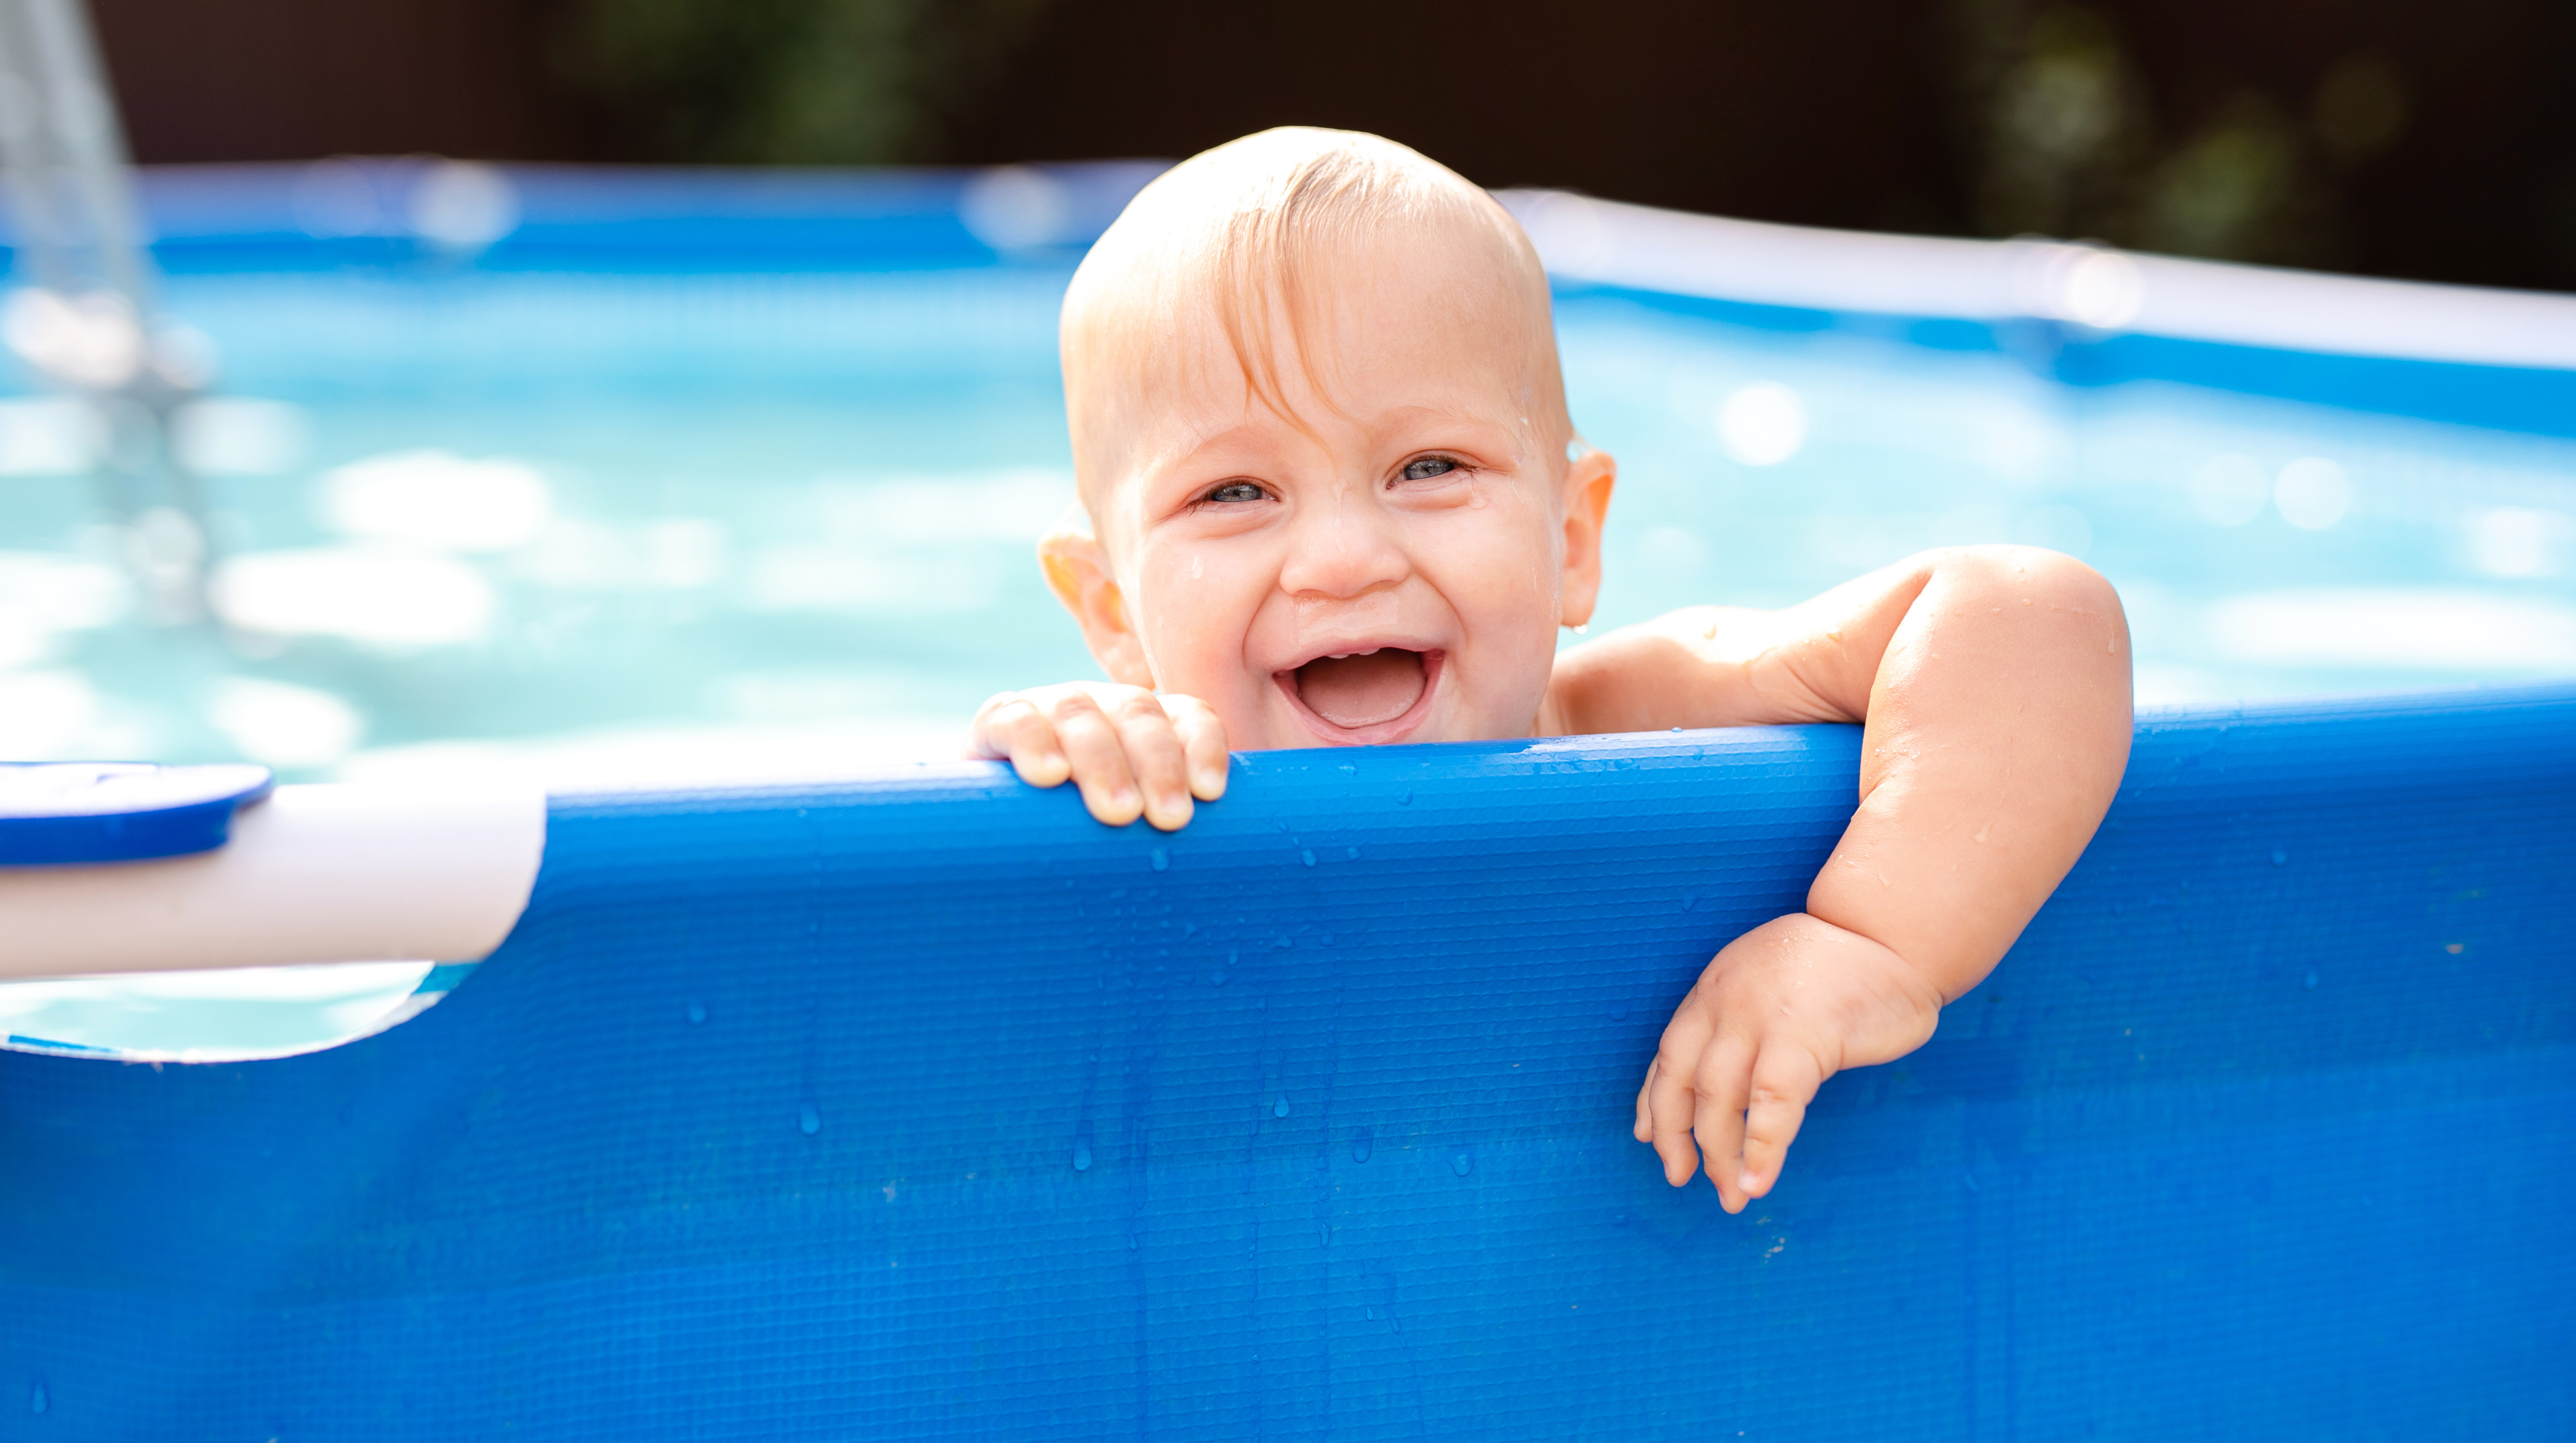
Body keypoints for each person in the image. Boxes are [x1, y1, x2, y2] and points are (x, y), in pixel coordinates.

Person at [965, 128, 2132, 1214]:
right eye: (1232, 493)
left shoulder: (1623, 713)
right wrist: (1062, 754)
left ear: (1570, 540)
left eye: (1428, 466)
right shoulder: (1144, 772)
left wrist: (1871, 940)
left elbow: (2029, 611)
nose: (1339, 560)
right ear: (1112, 611)